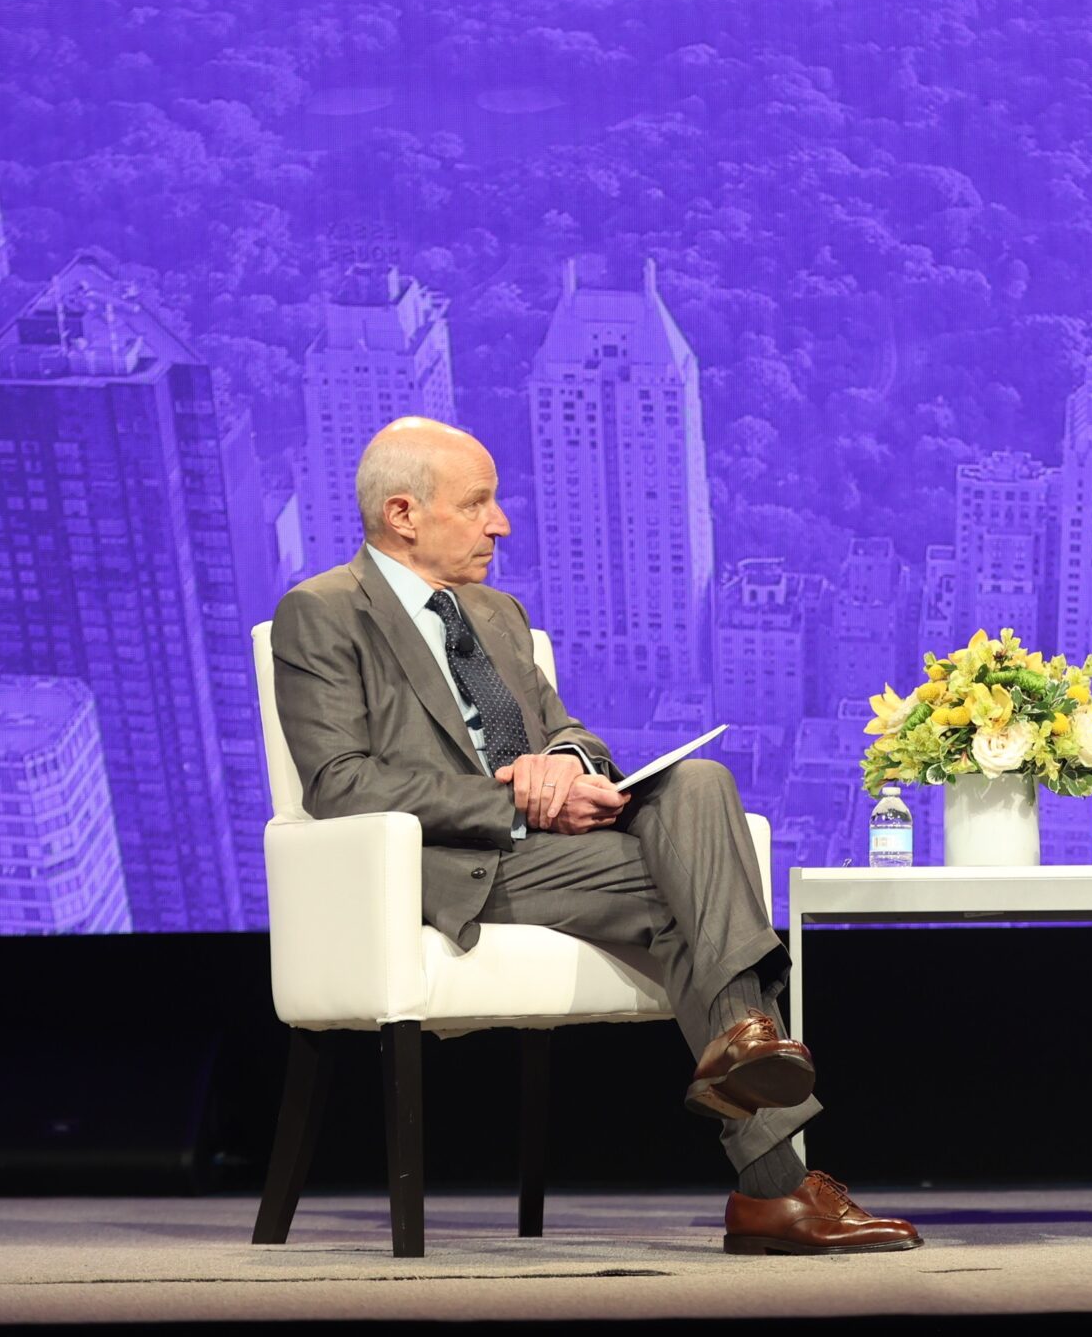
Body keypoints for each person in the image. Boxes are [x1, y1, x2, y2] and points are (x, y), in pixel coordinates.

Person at [271, 417, 919, 1256]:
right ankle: (775, 1178)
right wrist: (511, 794)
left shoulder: (497, 614)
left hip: (563, 851)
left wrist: (568, 764)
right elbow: (340, 783)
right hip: (461, 865)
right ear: (403, 513)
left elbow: (570, 731)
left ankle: (751, 1074)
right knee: (691, 891)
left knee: (699, 783)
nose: (500, 523)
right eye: (478, 504)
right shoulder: (322, 613)